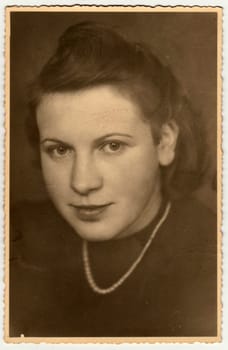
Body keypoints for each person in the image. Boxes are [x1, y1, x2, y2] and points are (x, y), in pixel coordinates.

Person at [10, 21, 217, 337]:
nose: (82, 183)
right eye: (60, 150)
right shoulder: (15, 235)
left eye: (112, 146)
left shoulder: (213, 258)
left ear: (164, 142)